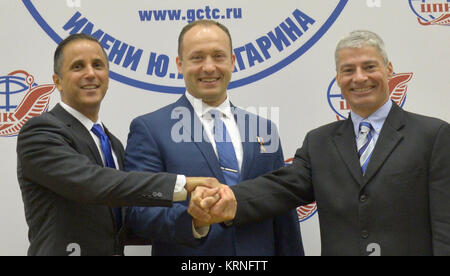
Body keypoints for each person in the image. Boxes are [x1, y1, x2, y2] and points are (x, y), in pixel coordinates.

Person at [191, 30, 450, 256]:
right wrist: (229, 199)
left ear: (389, 70)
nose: (359, 78)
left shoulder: (433, 135)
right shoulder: (319, 142)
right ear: (337, 78)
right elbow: (281, 188)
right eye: (348, 70)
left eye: (369, 67)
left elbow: (445, 224)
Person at [16, 33, 218, 256]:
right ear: (57, 82)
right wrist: (182, 185)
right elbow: (91, 183)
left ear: (108, 76)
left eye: (98, 65)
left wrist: (196, 219)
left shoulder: (113, 145)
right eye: (77, 66)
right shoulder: (40, 132)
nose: (90, 73)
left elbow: (129, 222)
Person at [124, 20, 304, 256]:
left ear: (232, 61)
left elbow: (282, 210)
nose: (209, 67)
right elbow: (139, 212)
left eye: (218, 56)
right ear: (180, 64)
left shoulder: (263, 128)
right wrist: (194, 220)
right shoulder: (150, 129)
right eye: (197, 58)